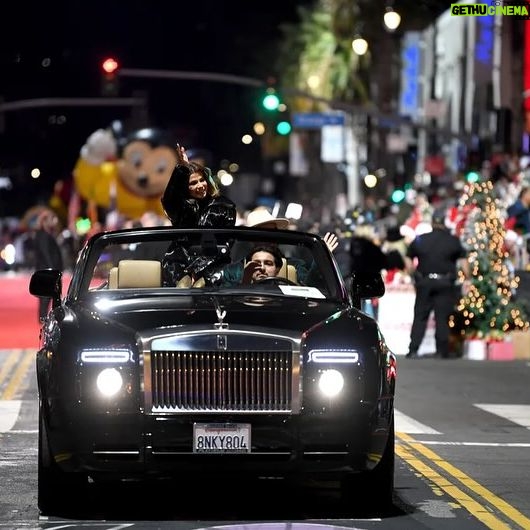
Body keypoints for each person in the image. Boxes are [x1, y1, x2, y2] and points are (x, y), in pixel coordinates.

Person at [161, 145, 237, 285]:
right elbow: (169, 199)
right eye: (193, 183)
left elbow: (226, 242)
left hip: (215, 262)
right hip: (180, 262)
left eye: (202, 180)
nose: (200, 185)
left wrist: (197, 269)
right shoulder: (181, 207)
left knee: (202, 287)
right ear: (185, 187)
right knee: (183, 287)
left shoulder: (225, 206)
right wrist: (182, 169)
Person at [405, 209, 467, 359]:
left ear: (432, 223)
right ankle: (442, 350)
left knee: (420, 316)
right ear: (444, 222)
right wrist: (467, 278)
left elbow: (408, 258)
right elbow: (464, 262)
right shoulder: (452, 240)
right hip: (445, 282)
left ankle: (413, 349)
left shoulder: (421, 239)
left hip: (425, 281)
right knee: (442, 317)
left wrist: (413, 275)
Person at [33, 210, 64, 321]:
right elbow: (45, 252)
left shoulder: (46, 234)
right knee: (45, 297)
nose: (54, 222)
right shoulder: (42, 235)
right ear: (45, 221)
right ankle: (42, 319)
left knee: (49, 296)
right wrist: (52, 269)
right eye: (52, 219)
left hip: (47, 269)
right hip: (46, 270)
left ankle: (44, 318)